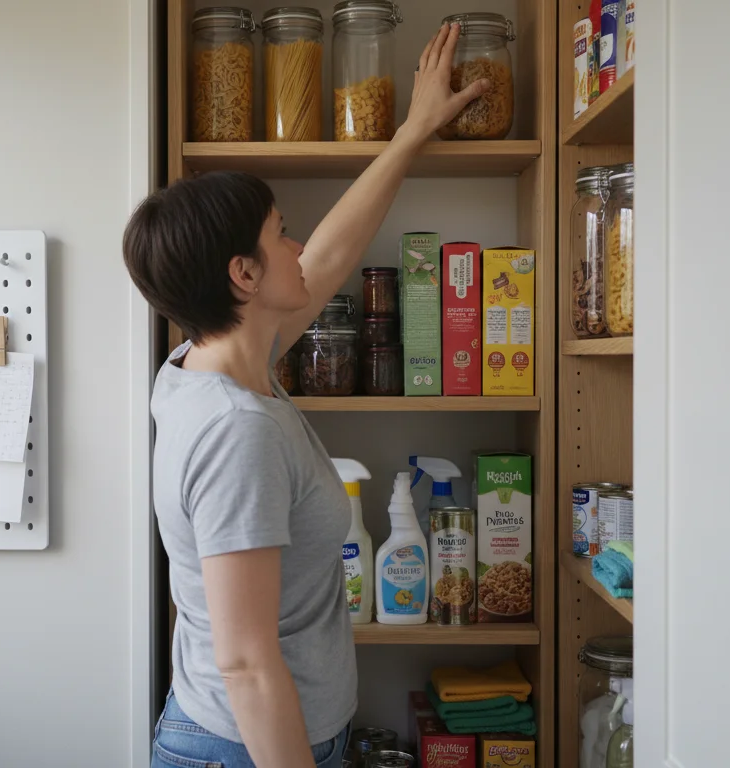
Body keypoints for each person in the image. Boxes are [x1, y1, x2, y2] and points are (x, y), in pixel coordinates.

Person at [124, 24, 489, 768]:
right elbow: (247, 663)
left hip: (246, 738)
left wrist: (414, 131)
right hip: (246, 748)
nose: (298, 245)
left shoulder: (205, 362)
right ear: (244, 276)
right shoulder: (237, 430)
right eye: (280, 233)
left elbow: (328, 258)